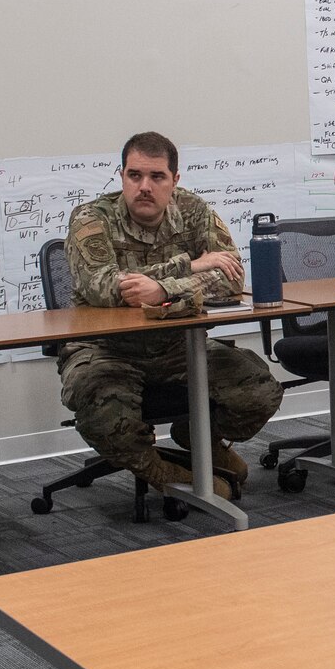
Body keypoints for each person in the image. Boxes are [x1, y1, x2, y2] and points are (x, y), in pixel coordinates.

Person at [58, 132, 283, 501]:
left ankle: (199, 438)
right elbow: (103, 286)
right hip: (106, 350)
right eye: (134, 175)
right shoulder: (90, 219)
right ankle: (165, 472)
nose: (144, 187)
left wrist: (162, 290)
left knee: (258, 391)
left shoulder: (195, 212)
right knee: (102, 408)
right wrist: (190, 265)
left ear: (174, 180)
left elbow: (231, 278)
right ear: (122, 175)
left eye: (157, 177)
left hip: (181, 347)